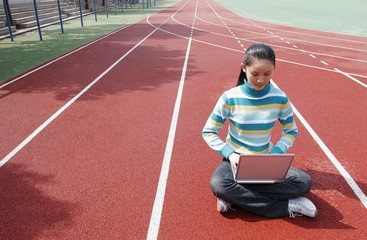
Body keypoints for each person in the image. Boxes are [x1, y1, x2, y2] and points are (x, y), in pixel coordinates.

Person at [202, 43, 317, 218]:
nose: (261, 80)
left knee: (304, 182)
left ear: (274, 69)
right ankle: (287, 206)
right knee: (219, 184)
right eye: (255, 74)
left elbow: (291, 131)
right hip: (234, 161)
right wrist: (230, 154)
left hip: (266, 160)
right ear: (243, 68)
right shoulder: (230, 97)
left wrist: (277, 153)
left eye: (267, 74)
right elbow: (209, 131)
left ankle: (236, 196)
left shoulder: (280, 98)